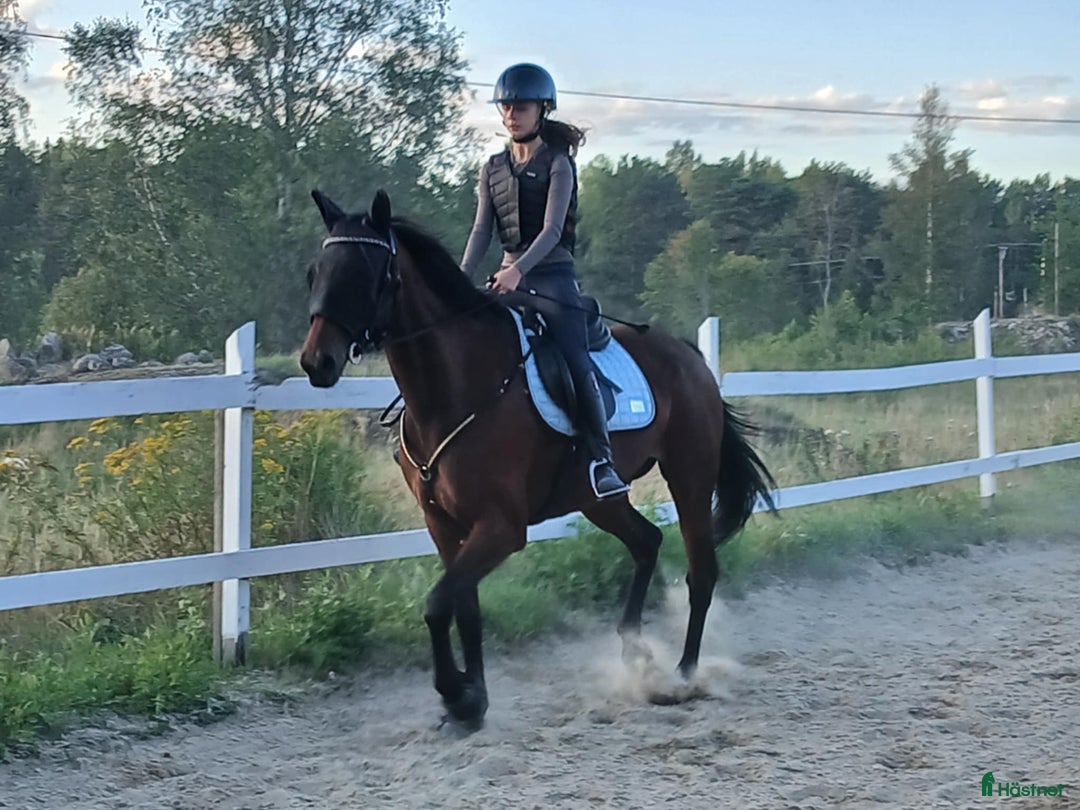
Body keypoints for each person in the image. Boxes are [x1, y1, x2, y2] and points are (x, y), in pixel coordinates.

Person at [459, 62, 630, 500]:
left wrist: (518, 271)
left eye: (521, 106)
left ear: (542, 109)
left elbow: (553, 230)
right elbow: (481, 231)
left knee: (575, 358)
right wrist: (459, 281)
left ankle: (601, 459)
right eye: (506, 106)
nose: (511, 114)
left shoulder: (558, 164)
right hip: (507, 279)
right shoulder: (492, 168)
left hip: (552, 278)